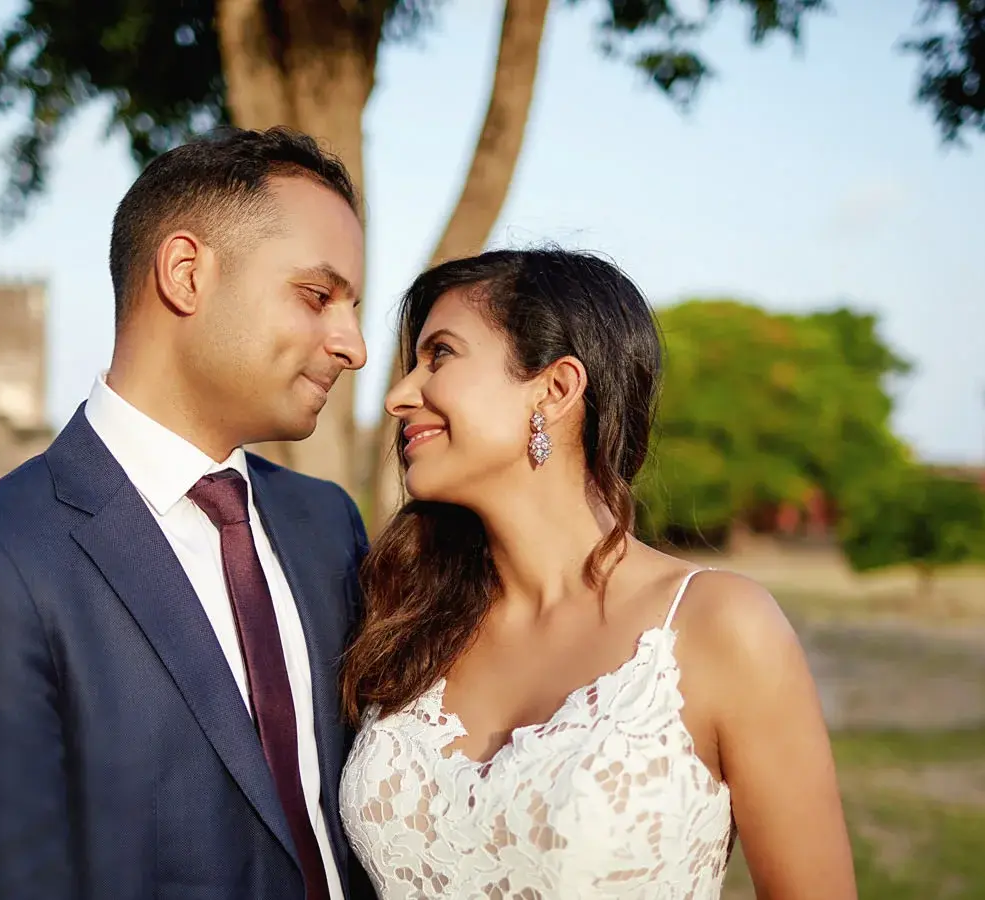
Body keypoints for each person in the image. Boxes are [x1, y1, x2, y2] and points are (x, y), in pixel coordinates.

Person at [0, 126, 374, 899]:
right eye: (318, 296)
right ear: (185, 273)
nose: (354, 345)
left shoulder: (328, 527)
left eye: (353, 307)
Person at [338, 248, 857, 899]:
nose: (398, 396)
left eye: (439, 355)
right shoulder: (404, 617)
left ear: (554, 389)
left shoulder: (718, 626)